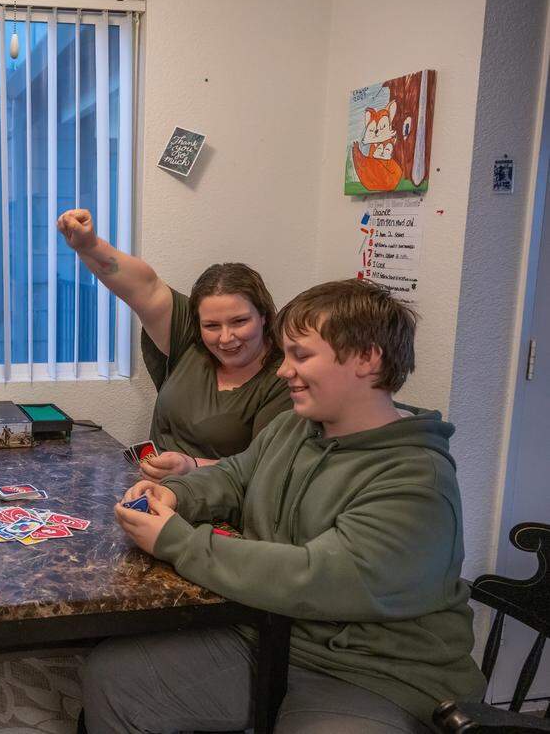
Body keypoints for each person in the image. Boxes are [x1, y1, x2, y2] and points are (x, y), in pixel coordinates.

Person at [84, 279, 485, 733]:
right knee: (114, 678)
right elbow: (236, 474)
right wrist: (177, 493)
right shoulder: (296, 426)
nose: (282, 370)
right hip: (272, 632)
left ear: (367, 359)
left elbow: (317, 576)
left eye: (301, 355)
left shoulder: (416, 478)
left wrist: (177, 541)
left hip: (376, 673)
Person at [56, 209, 291, 479]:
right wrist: (90, 246)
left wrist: (191, 465)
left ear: (263, 316)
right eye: (212, 326)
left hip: (217, 505)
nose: (226, 338)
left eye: (239, 322)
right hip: (153, 490)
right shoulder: (189, 340)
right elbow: (144, 287)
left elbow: (266, 469)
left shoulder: (284, 376)